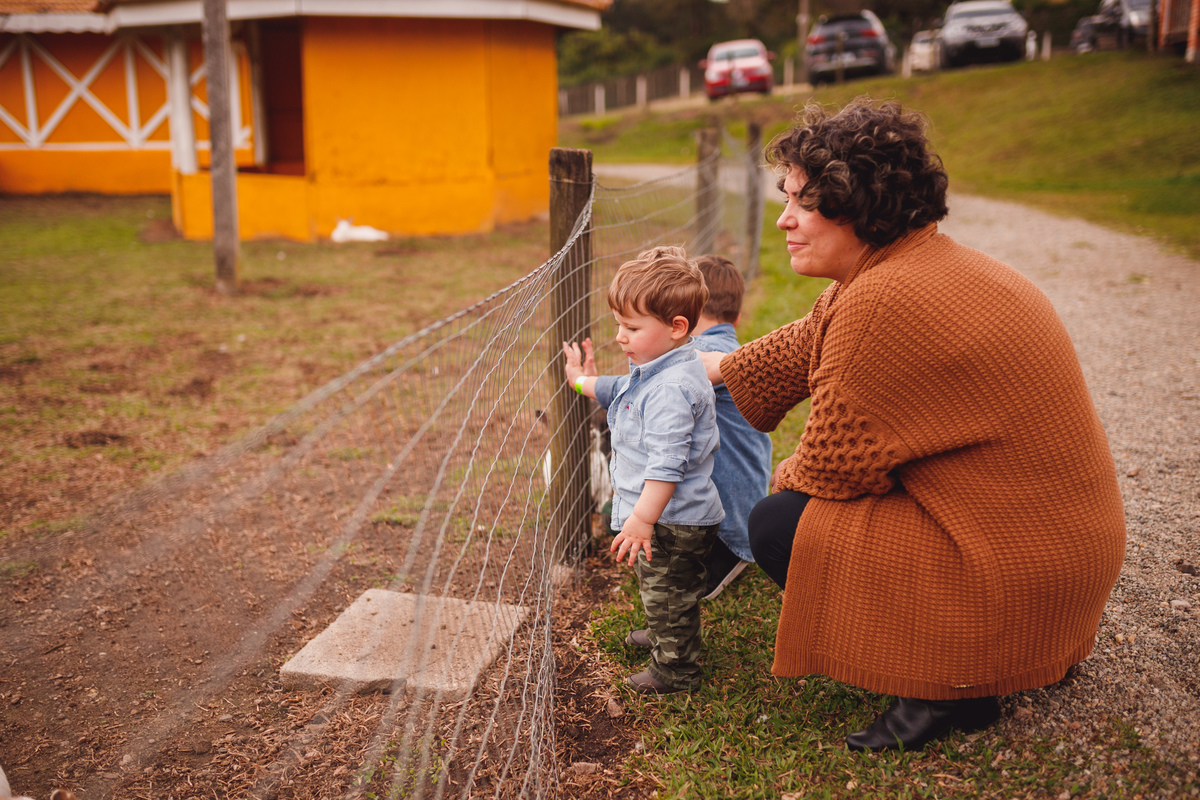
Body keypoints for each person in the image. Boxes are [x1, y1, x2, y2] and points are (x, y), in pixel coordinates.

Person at [700, 99, 1125, 751]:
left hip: (1016, 570)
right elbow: (811, 335)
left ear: (854, 201)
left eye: (801, 204)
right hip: (1064, 561)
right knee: (813, 509)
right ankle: (1003, 653)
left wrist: (759, 485)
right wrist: (720, 368)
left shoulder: (881, 302)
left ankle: (951, 687)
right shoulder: (916, 263)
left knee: (779, 523)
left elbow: (826, 476)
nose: (784, 220)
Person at [563, 245, 724, 695]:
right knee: (669, 587)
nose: (620, 336)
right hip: (673, 516)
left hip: (671, 518)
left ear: (677, 328)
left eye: (632, 327)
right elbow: (619, 388)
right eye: (619, 324)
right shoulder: (661, 366)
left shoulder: (670, 388)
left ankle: (675, 673)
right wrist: (581, 380)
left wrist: (643, 518)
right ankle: (666, 633)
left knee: (668, 591)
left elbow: (668, 464)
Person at [690, 255, 773, 599]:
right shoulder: (735, 351)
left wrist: (587, 383)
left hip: (724, 526)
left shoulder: (698, 354)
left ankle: (719, 558)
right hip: (748, 509)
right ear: (736, 318)